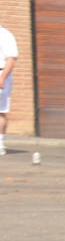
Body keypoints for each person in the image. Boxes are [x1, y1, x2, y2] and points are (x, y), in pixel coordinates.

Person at [0, 22, 16, 156]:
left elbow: (11, 59)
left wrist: (2, 77)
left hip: (0, 72)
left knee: (0, 111)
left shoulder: (5, 34)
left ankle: (0, 144)